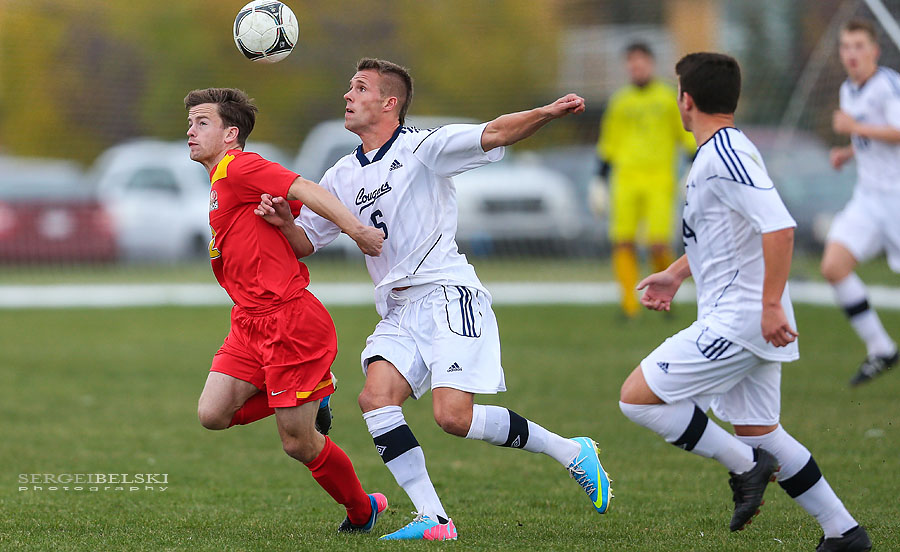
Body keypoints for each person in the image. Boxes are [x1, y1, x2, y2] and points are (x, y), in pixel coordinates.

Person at [256, 58, 612, 541]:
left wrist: (547, 112)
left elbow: (496, 132)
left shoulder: (424, 147)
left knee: (453, 417)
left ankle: (571, 451)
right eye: (348, 87)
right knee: (375, 399)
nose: (347, 95)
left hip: (446, 295)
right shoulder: (340, 174)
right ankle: (435, 519)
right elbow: (306, 243)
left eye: (359, 88)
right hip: (399, 310)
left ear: (389, 103)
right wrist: (283, 222)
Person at [618, 53, 871, 552]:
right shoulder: (722, 151)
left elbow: (778, 226)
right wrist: (674, 273)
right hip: (745, 316)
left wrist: (771, 304)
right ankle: (844, 533)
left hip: (744, 319)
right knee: (760, 430)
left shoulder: (725, 157)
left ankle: (744, 468)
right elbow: (726, 234)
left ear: (684, 101)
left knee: (637, 398)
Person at [185, 87, 389, 534]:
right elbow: (291, 226)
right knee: (212, 414)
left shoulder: (241, 166)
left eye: (203, 122)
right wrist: (285, 221)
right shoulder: (223, 182)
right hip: (249, 323)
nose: (191, 131)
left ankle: (362, 509)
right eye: (190, 123)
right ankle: (320, 389)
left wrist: (356, 231)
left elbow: (305, 188)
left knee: (297, 443)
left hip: (290, 323)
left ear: (231, 134)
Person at [822, 18, 900, 386]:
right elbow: (871, 137)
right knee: (833, 266)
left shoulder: (886, 85)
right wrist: (848, 152)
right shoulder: (846, 90)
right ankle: (881, 348)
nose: (851, 54)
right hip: (868, 199)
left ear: (874, 50)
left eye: (858, 46)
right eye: (845, 47)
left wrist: (854, 130)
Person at [595, 41, 696, 318]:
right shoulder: (620, 101)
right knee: (623, 241)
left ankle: (664, 296)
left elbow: (685, 136)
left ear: (650, 64)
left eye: (640, 61)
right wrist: (599, 180)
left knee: (658, 242)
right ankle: (629, 306)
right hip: (625, 180)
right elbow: (609, 142)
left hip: (659, 180)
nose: (635, 67)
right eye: (631, 62)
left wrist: (691, 166)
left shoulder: (666, 98)